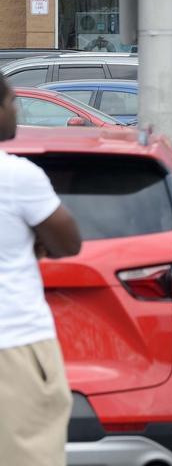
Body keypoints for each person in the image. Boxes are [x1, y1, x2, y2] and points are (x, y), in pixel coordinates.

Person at [0, 75, 83, 466]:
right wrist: (35, 240)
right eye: (11, 100)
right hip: (13, 344)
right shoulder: (17, 177)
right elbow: (68, 243)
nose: (16, 107)